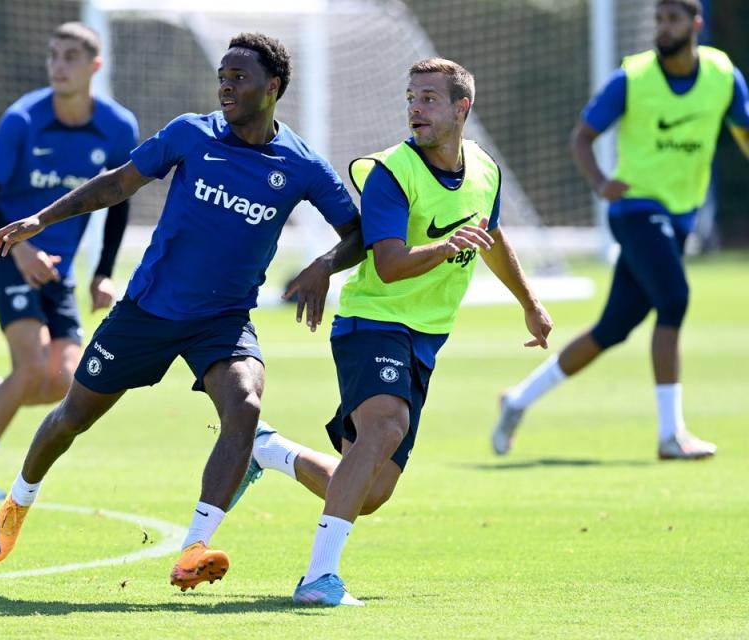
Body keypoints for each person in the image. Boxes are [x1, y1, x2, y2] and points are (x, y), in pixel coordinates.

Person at [0, 32, 364, 593]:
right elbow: (117, 183)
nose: (226, 86)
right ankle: (18, 499)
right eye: (223, 76)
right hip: (146, 312)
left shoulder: (301, 164)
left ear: (273, 87)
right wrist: (40, 221)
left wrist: (324, 265)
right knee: (72, 419)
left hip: (223, 319)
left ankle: (194, 548)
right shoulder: (190, 132)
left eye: (240, 77)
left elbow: (355, 233)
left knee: (246, 402)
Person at [230, 58, 553, 606]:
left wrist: (530, 302)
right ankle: (318, 580)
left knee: (373, 491)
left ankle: (268, 450)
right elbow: (389, 264)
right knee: (386, 428)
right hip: (373, 322)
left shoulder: (484, 169)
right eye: (410, 98)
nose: (415, 109)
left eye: (428, 98)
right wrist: (445, 247)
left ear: (461, 108)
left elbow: (491, 236)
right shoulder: (390, 172)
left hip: (426, 336)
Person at [491, 0, 749, 460]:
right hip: (634, 210)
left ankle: (517, 400)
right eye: (658, 19)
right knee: (674, 299)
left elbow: (743, 131)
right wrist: (601, 183)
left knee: (612, 329)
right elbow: (582, 137)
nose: (663, 27)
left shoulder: (723, 75)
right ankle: (672, 435)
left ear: (696, 24)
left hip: (680, 215)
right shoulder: (632, 78)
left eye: (673, 19)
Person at [0, 23, 139, 501]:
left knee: (65, 381)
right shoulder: (22, 119)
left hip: (58, 267)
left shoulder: (118, 127)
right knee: (30, 368)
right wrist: (22, 247)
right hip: (5, 250)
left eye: (70, 57)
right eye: (53, 56)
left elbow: (120, 201)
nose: (58, 66)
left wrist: (103, 272)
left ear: (94, 66)